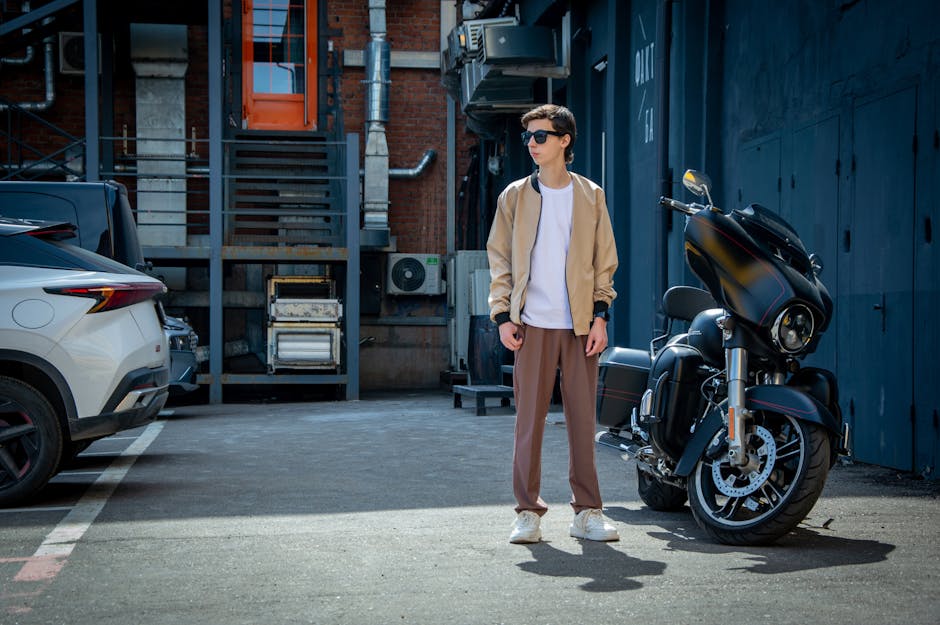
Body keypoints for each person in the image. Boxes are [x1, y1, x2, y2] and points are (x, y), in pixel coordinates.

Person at [487, 104, 620, 544]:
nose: (532, 144)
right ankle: (527, 512)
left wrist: (601, 315)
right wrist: (503, 314)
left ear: (565, 140)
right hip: (532, 325)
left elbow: (605, 261)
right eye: (529, 136)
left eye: (541, 136)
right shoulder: (514, 196)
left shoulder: (591, 195)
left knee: (583, 422)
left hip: (580, 325)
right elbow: (500, 259)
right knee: (529, 423)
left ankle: (588, 512)